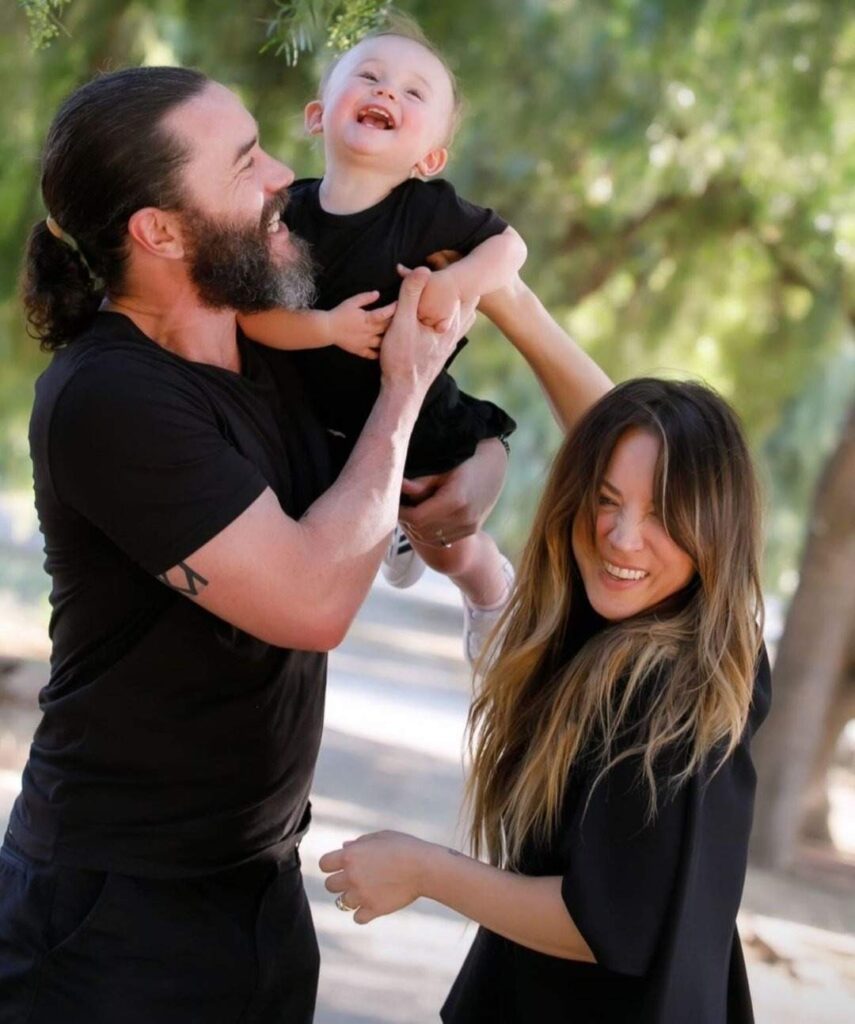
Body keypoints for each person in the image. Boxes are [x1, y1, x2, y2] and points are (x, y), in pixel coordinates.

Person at [0, 65, 507, 1024]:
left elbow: (392, 476)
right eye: (243, 164)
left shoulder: (271, 345)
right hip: (111, 918)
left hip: (257, 893)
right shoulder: (110, 397)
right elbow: (312, 600)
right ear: (160, 230)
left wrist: (480, 461)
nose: (283, 173)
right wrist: (400, 392)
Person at [319, 278, 771, 1023]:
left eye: (662, 514)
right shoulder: (661, 632)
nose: (621, 537)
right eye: (604, 501)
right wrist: (506, 299)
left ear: (713, 525)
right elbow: (615, 437)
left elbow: (605, 922)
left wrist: (424, 870)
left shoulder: (672, 682)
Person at [238, 16, 526, 663]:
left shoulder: (426, 210)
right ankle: (385, 528)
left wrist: (458, 285)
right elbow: (250, 315)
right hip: (318, 423)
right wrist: (327, 327)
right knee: (325, 514)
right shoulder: (287, 214)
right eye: (367, 77)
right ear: (317, 115)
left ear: (429, 158)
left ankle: (488, 593)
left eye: (413, 92)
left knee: (446, 542)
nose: (388, 92)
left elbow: (510, 246)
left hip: (416, 420)